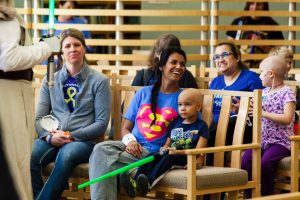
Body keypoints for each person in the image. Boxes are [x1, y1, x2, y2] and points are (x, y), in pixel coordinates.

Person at [89, 47, 187, 200]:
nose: (179, 67)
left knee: (104, 162)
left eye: (182, 64)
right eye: (173, 62)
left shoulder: (184, 98)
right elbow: (125, 128)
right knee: (101, 148)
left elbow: (189, 129)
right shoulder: (144, 93)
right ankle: (130, 172)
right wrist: (131, 141)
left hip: (153, 152)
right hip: (130, 147)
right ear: (161, 66)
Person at [30, 28, 111, 200]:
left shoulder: (99, 81)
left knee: (66, 154)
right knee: (31, 154)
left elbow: (102, 123)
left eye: (77, 45)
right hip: (53, 137)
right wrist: (49, 137)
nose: (72, 49)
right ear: (61, 51)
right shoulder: (49, 80)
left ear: (84, 48)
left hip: (84, 141)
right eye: (67, 46)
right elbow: (39, 119)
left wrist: (70, 135)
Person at [0, 0, 60, 199]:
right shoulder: (5, 16)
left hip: (13, 92)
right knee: (14, 161)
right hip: (8, 95)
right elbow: (8, 59)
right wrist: (46, 47)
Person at [120, 88, 209, 198]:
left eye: (187, 104)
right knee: (152, 156)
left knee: (168, 159)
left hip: (185, 158)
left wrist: (180, 153)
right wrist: (165, 148)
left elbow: (198, 150)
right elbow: (168, 142)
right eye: (180, 105)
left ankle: (147, 183)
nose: (182, 108)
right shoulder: (175, 123)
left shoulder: (201, 126)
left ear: (198, 107)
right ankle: (134, 182)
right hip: (171, 153)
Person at [242, 55, 296, 197]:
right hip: (262, 141)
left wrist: (263, 113)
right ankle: (250, 196)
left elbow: (287, 118)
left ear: (270, 74)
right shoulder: (263, 93)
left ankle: (267, 196)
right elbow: (256, 113)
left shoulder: (287, 92)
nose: (259, 77)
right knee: (246, 161)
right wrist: (241, 109)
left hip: (281, 142)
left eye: (261, 72)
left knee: (265, 164)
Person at [209, 42, 263, 147]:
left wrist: (244, 108)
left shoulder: (251, 78)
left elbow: (263, 106)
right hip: (217, 128)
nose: (220, 60)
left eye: (225, 54)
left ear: (237, 57)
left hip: (242, 128)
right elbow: (208, 111)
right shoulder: (215, 82)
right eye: (216, 57)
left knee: (230, 122)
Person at [226, 2, 284, 68]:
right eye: (252, 3)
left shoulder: (272, 25)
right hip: (240, 68)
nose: (255, 7)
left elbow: (280, 53)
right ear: (248, 5)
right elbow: (230, 48)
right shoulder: (238, 22)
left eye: (259, 4)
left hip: (265, 69)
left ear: (264, 6)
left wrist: (263, 46)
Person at [131, 33, 198, 88]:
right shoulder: (143, 76)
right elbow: (129, 102)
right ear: (157, 53)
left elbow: (196, 101)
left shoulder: (187, 77)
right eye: (165, 55)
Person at [268, 46, 300, 130]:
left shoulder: (292, 82)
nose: (289, 66)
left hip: (288, 126)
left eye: (290, 62)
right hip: (268, 124)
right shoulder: (266, 82)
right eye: (286, 62)